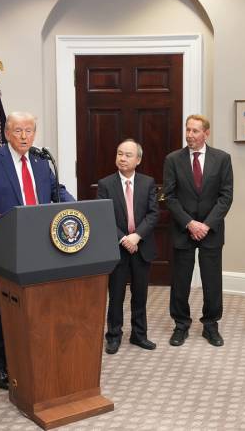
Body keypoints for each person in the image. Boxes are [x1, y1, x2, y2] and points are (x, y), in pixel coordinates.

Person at [0, 112, 75, 389]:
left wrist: (75, 206)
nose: (24, 136)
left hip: (36, 249)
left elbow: (56, 190)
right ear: (7, 133)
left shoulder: (41, 162)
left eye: (29, 131)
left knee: (33, 308)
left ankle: (28, 358)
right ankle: (0, 366)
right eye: (18, 131)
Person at [162, 114, 233, 347]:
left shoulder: (222, 159)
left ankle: (211, 325)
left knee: (212, 280)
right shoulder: (173, 159)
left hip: (211, 230)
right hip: (183, 229)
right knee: (180, 280)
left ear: (206, 134)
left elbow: (226, 196)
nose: (190, 135)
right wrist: (190, 223)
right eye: (188, 130)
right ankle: (181, 325)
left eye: (195, 131)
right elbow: (169, 197)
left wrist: (206, 224)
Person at [97, 139, 159, 354]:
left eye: (128, 155)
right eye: (119, 153)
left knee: (140, 294)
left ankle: (139, 335)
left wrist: (137, 237)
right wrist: (125, 239)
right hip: (118, 249)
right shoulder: (105, 184)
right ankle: (113, 335)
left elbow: (153, 214)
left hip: (142, 247)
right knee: (116, 295)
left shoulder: (148, 182)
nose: (122, 158)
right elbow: (103, 218)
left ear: (138, 160)